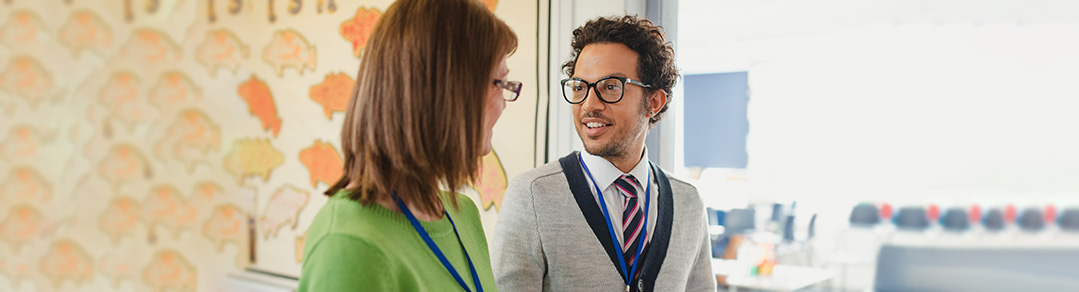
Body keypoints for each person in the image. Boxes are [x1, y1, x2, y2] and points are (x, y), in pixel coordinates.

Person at [298, 0, 519, 291]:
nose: (504, 102)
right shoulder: (349, 246)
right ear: (445, 91)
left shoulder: (462, 214)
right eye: (499, 83)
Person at [491, 15, 714, 292]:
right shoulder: (532, 195)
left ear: (653, 102)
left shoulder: (688, 202)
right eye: (580, 87)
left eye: (610, 87)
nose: (589, 105)